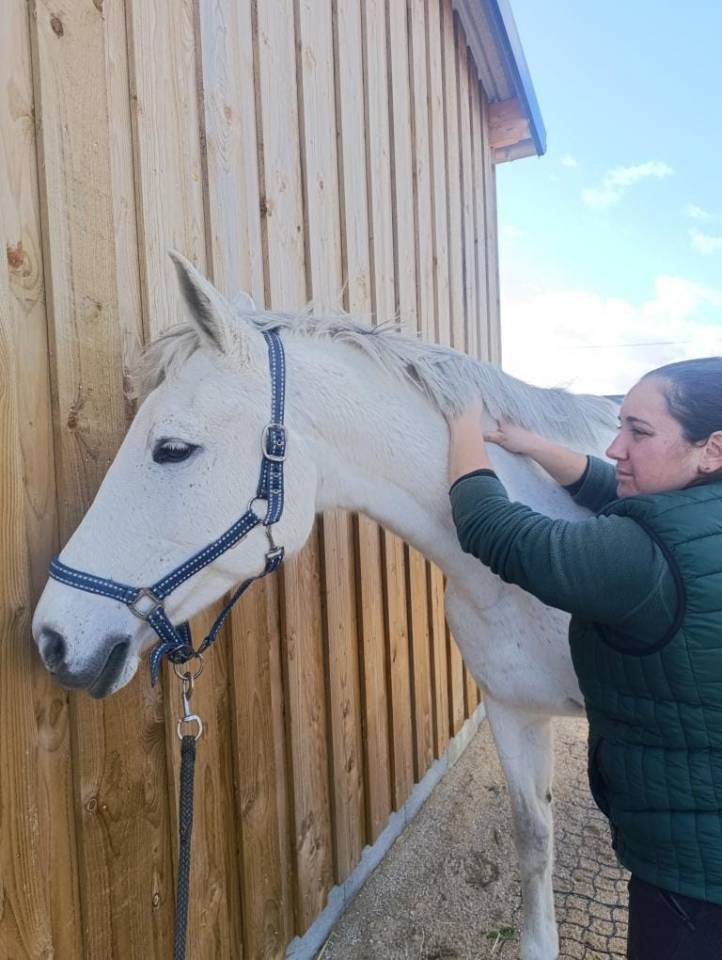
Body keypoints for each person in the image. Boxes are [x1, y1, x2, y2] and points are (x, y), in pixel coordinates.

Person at [447, 358, 722, 960]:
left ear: (712, 449)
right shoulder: (702, 509)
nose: (616, 447)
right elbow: (609, 485)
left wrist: (464, 426)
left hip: (695, 882)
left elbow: (499, 532)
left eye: (638, 432)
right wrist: (533, 445)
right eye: (619, 426)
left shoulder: (641, 556)